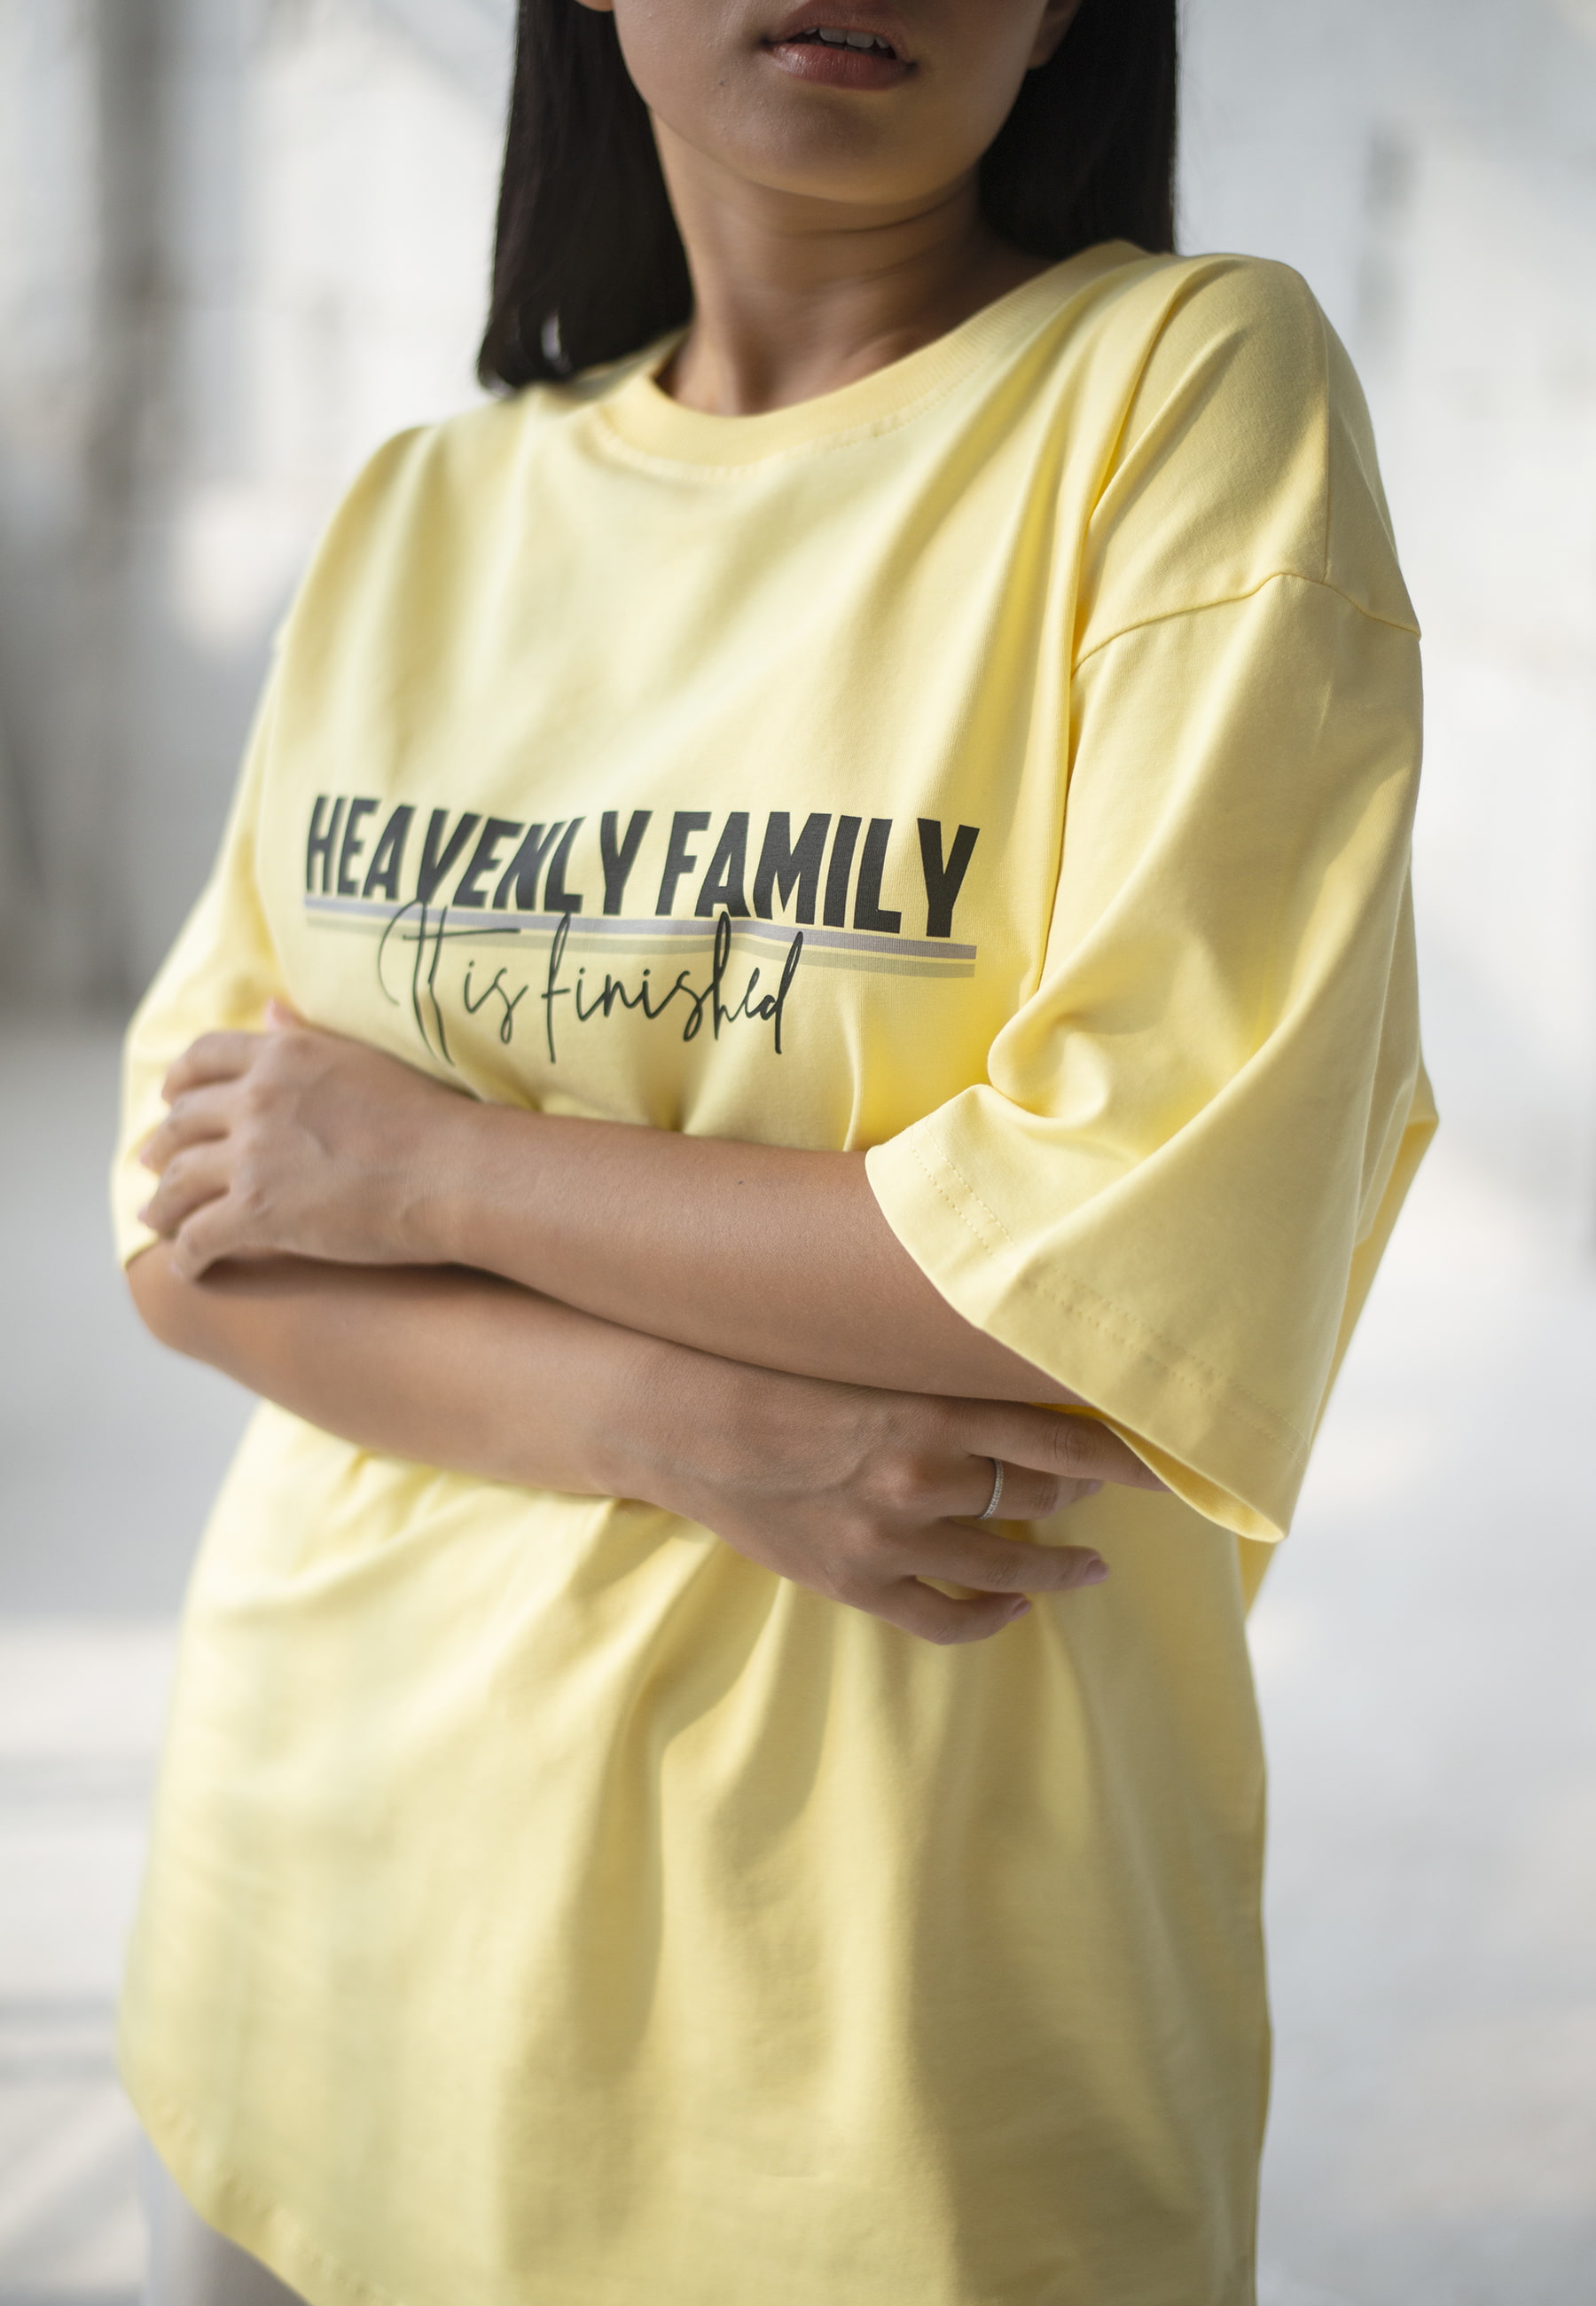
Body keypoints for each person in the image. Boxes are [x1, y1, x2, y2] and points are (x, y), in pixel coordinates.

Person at [116, 1, 1435, 2300]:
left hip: (868, 2044)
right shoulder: (428, 508)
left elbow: (1104, 1277)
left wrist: (423, 1175)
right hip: (297, 1930)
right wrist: (697, 1420)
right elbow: (196, 1235)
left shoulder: (1179, 398)